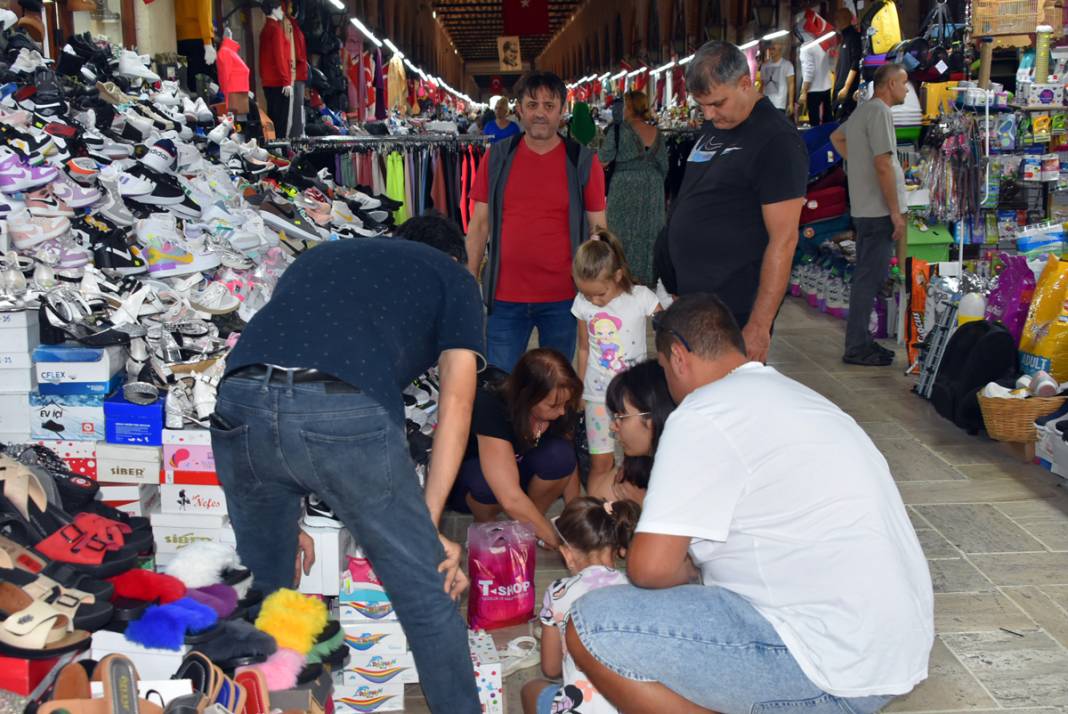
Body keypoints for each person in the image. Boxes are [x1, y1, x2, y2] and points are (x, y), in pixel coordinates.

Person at [562, 294, 934, 714]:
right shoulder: (800, 398)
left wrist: (682, 566)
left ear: (679, 356)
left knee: (591, 624)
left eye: (664, 369)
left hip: (826, 666)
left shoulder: (702, 411)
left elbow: (649, 569)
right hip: (891, 653)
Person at [214, 215, 486, 713]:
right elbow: (458, 402)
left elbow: (293, 354)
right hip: (342, 409)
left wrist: (288, 508)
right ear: (455, 257)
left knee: (266, 588)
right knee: (425, 595)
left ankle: (260, 700)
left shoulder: (323, 254)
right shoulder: (455, 276)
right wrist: (426, 526)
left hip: (241, 396)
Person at [659, 41, 807, 363]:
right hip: (696, 304)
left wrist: (759, 325)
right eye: (702, 106)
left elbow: (784, 240)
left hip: (734, 310)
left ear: (744, 83)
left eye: (717, 103)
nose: (709, 114)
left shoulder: (776, 140)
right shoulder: (719, 124)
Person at [466, 71, 607, 372]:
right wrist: (468, 280)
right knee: (499, 383)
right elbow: (479, 225)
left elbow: (599, 229)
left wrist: (600, 286)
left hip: (564, 299)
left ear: (562, 110)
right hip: (504, 298)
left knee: (554, 386)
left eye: (549, 105)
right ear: (519, 109)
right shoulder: (497, 157)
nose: (540, 113)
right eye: (532, 105)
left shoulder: (583, 161)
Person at [447, 348, 582, 547]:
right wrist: (559, 544)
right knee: (486, 484)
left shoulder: (560, 398)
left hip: (518, 471)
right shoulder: (491, 405)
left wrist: (577, 523)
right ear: (527, 396)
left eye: (566, 404)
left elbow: (569, 465)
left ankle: (528, 525)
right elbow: (509, 496)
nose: (562, 411)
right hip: (474, 481)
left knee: (561, 456)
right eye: (553, 406)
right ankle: (485, 525)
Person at [521, 497, 640, 714]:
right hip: (637, 704)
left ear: (567, 554)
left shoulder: (558, 592)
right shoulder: (638, 588)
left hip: (578, 707)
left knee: (531, 690)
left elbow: (551, 668)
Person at [830, 64, 910, 367]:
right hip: (878, 211)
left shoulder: (863, 110)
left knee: (868, 276)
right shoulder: (879, 112)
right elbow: (883, 164)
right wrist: (895, 213)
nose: (906, 89)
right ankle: (856, 346)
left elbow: (836, 138)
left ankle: (861, 340)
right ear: (890, 84)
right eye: (903, 83)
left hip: (866, 209)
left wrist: (858, 163)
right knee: (869, 279)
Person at [572, 230, 660, 498]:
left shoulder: (641, 298)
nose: (594, 301)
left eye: (600, 294)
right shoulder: (583, 304)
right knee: (600, 462)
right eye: (587, 295)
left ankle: (636, 506)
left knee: (639, 459)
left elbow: (666, 333)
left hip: (634, 399)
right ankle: (598, 508)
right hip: (597, 396)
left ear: (618, 276)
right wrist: (580, 390)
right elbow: (584, 348)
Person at [598, 90, 667, 285]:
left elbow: (603, 159)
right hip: (653, 187)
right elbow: (664, 166)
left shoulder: (618, 131)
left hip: (624, 185)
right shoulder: (657, 133)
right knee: (650, 234)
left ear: (628, 107)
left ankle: (621, 278)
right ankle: (647, 281)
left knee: (621, 232)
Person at [598, 359, 675, 504]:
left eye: (621, 417)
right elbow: (600, 495)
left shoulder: (685, 469)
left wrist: (644, 505)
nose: (612, 426)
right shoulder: (638, 463)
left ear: (652, 418)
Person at [833, 8, 863, 120]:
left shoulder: (854, 37)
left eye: (838, 18)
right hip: (840, 87)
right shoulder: (844, 38)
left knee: (844, 120)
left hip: (848, 90)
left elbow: (856, 62)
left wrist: (846, 87)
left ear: (845, 18)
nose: (836, 21)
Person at [798, 34, 834, 125]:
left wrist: (804, 92)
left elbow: (809, 71)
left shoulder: (806, 47)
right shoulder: (821, 45)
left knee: (814, 122)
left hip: (813, 89)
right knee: (827, 119)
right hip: (826, 87)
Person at [758, 41, 795, 115]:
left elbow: (791, 84)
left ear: (780, 48)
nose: (771, 51)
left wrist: (791, 103)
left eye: (773, 49)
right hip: (766, 103)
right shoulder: (764, 66)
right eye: (770, 49)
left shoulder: (787, 65)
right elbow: (762, 85)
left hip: (779, 104)